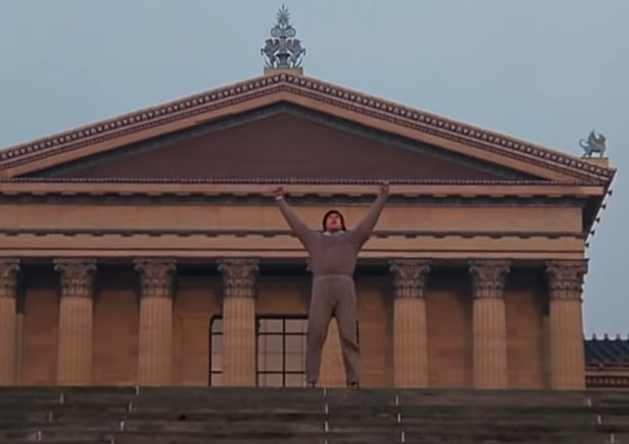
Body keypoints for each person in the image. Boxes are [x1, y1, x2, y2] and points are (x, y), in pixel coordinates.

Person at [272, 181, 389, 389]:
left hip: (345, 285)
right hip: (321, 286)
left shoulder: (352, 239)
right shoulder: (314, 240)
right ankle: (311, 380)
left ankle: (353, 379)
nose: (334, 219)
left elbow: (369, 222)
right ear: (325, 224)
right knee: (315, 333)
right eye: (330, 218)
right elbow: (296, 224)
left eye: (337, 217)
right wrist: (280, 200)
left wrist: (382, 197)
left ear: (342, 223)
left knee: (348, 334)